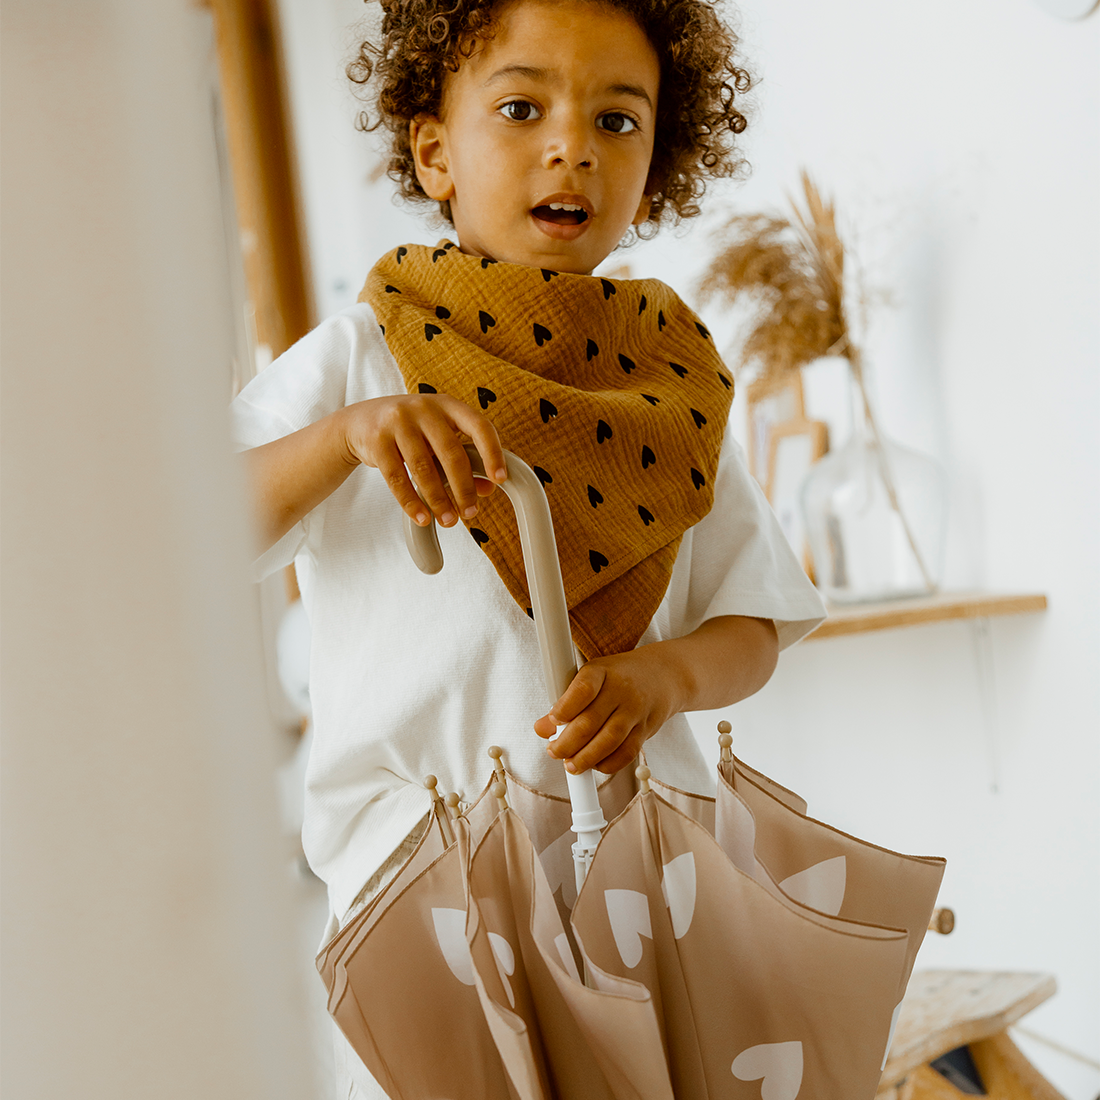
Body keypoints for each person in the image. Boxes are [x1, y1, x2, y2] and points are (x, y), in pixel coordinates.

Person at [232, 0, 825, 1094]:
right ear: (433, 151)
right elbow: (197, 523)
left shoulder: (668, 385)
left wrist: (664, 676)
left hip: (645, 885)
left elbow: (757, 618)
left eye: (616, 120)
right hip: (423, 885)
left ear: (661, 155)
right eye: (520, 107)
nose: (571, 147)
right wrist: (342, 438)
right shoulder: (363, 352)